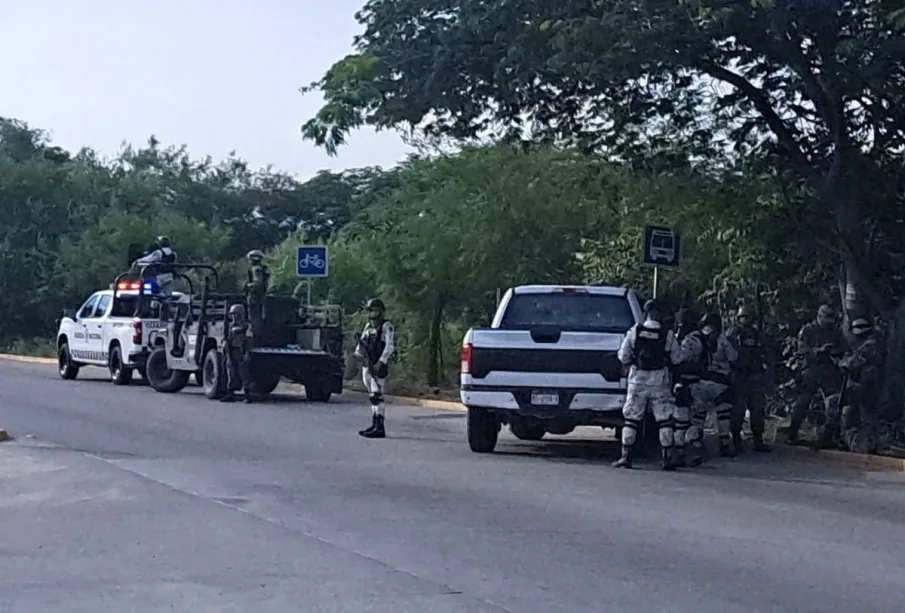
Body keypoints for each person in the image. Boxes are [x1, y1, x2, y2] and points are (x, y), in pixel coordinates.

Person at [613, 299, 683, 470]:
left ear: (646, 313)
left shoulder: (635, 331)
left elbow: (623, 356)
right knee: (664, 419)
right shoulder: (668, 334)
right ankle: (666, 458)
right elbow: (678, 358)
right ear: (660, 314)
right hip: (660, 381)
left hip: (637, 380)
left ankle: (626, 457)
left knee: (631, 419)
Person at [786, 304, 846, 445]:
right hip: (811, 370)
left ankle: (829, 437)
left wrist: (834, 352)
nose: (829, 322)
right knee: (802, 403)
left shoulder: (835, 331)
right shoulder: (808, 330)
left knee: (833, 403)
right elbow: (801, 349)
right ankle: (792, 433)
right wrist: (818, 351)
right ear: (819, 317)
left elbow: (843, 347)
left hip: (829, 371)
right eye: (827, 318)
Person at [690, 312, 739, 458]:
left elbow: (683, 357)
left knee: (698, 413)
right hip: (720, 383)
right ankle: (724, 442)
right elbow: (733, 357)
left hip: (698, 381)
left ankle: (696, 442)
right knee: (723, 413)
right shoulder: (722, 338)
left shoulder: (693, 337)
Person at [836, 318, 885, 453]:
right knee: (867, 415)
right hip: (870, 384)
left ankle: (869, 445)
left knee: (862, 415)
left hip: (867, 385)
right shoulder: (876, 342)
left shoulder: (870, 345)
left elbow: (853, 363)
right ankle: (871, 444)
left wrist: (842, 362)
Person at [725, 305, 770, 452]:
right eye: (742, 317)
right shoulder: (733, 333)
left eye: (747, 316)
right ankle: (736, 439)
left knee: (757, 409)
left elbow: (766, 352)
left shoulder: (758, 335)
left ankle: (758, 439)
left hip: (755, 376)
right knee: (738, 409)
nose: (745, 320)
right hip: (739, 376)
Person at [355, 298, 395, 438]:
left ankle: (380, 426)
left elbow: (389, 347)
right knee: (372, 396)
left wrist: (380, 362)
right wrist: (359, 355)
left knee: (377, 396)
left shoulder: (386, 327)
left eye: (375, 310)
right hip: (367, 365)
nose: (372, 314)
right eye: (370, 310)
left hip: (377, 366)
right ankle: (374, 424)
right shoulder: (368, 327)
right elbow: (361, 346)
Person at [672, 307, 704, 467]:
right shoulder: (702, 338)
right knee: (694, 420)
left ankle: (682, 452)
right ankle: (693, 448)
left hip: (687, 383)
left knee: (682, 420)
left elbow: (679, 359)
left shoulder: (690, 340)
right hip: (699, 383)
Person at [221, 303, 254, 404]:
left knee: (244, 373)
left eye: (236, 314)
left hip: (241, 351)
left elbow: (249, 339)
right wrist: (224, 344)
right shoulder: (230, 325)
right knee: (230, 371)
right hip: (231, 351)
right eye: (233, 314)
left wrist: (247, 353)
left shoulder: (247, 326)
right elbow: (224, 338)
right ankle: (230, 393)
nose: (234, 317)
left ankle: (247, 395)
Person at [244, 250, 270, 334]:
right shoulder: (262, 268)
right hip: (261, 296)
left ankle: (254, 333)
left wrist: (247, 285)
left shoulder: (256, 269)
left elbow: (258, 282)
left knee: (254, 316)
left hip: (255, 296)